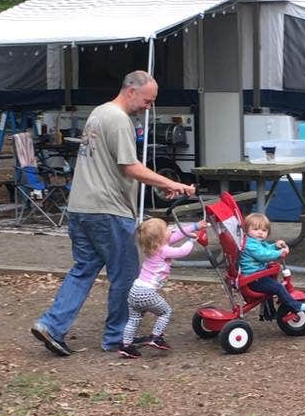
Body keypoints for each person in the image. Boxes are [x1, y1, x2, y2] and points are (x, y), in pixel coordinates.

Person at [31, 71, 195, 356]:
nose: (149, 107)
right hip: (108, 210)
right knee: (127, 276)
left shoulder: (98, 113)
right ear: (131, 91)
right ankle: (118, 337)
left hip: (81, 207)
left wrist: (160, 186)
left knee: (83, 270)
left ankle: (51, 325)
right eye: (147, 100)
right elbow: (129, 167)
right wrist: (172, 183)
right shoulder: (119, 121)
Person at [119, 217, 206, 359]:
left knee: (133, 319)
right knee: (165, 312)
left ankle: (126, 346)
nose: (170, 229)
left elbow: (177, 235)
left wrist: (195, 226)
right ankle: (156, 336)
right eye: (166, 229)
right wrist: (192, 240)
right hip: (146, 292)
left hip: (135, 291)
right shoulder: (163, 250)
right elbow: (182, 252)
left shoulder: (153, 247)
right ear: (160, 237)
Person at [239, 212, 305, 313]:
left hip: (256, 276)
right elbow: (263, 255)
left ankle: (274, 309)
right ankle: (295, 306)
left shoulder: (255, 243)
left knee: (275, 283)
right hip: (253, 280)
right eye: (256, 229)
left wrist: (275, 246)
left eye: (264, 230)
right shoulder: (250, 245)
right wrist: (279, 252)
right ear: (246, 230)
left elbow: (265, 249)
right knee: (278, 287)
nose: (260, 232)